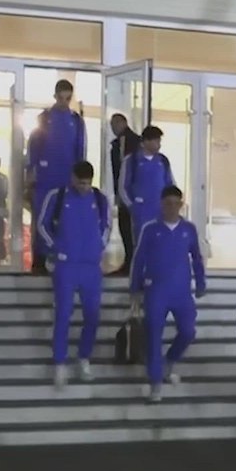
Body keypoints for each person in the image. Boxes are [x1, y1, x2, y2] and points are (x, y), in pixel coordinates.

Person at [37, 161, 112, 388]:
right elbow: (42, 224)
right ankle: (60, 364)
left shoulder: (99, 199)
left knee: (92, 315)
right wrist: (56, 247)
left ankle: (83, 359)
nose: (84, 187)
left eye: (88, 183)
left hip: (90, 267)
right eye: (80, 183)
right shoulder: (57, 196)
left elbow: (107, 226)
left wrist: (99, 246)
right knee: (63, 314)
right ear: (72, 178)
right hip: (66, 266)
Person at [130, 186, 206, 404]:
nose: (172, 208)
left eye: (176, 203)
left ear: (181, 205)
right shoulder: (150, 229)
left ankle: (169, 362)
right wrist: (135, 289)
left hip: (181, 292)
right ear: (161, 204)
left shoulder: (189, 229)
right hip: (156, 292)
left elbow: (197, 258)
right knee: (154, 336)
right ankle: (155, 384)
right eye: (168, 204)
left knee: (188, 331)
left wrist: (200, 281)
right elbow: (139, 260)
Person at [27, 80, 87, 275]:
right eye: (61, 98)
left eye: (68, 98)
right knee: (41, 218)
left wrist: (80, 177)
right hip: (45, 178)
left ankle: (63, 256)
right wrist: (31, 173)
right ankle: (39, 259)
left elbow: (81, 151)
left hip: (67, 178)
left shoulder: (77, 121)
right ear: (55, 96)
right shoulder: (44, 118)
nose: (64, 102)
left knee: (64, 218)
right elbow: (33, 147)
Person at [118, 125, 174, 253]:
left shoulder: (163, 161)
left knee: (161, 247)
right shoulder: (131, 161)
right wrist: (132, 207)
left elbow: (170, 184)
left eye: (160, 141)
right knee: (142, 247)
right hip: (141, 213)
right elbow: (123, 187)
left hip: (161, 211)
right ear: (145, 142)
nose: (159, 144)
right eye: (156, 141)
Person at [109, 113, 141, 275]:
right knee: (125, 227)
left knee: (128, 228)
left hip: (130, 193)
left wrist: (124, 193)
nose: (112, 128)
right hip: (124, 192)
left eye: (114, 124)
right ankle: (129, 262)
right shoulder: (117, 144)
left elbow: (124, 170)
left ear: (122, 123)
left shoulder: (131, 142)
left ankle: (132, 264)